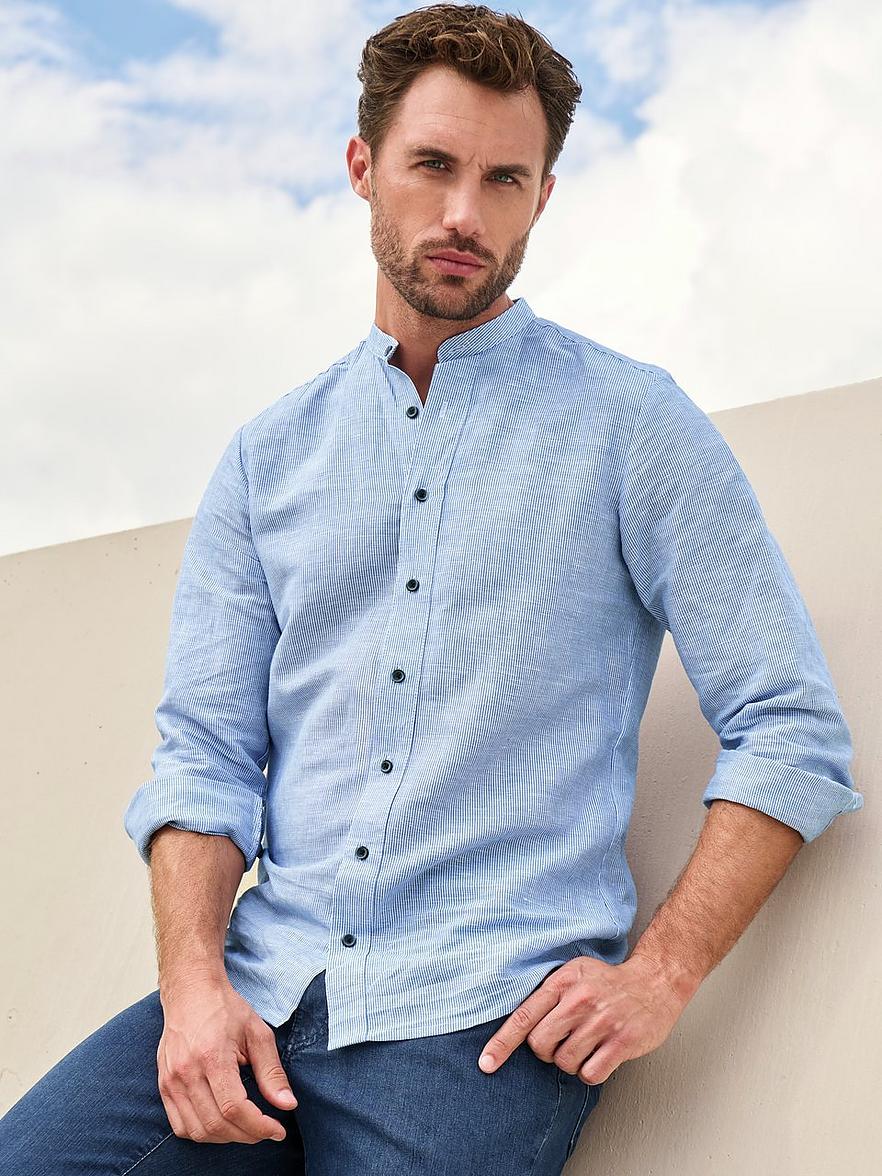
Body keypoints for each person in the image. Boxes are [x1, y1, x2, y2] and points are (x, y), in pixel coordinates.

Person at [0, 3, 863, 1173]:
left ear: (542, 198)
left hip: (480, 1030)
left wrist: (661, 974)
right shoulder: (267, 459)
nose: (466, 213)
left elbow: (791, 727)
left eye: (506, 179)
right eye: (433, 166)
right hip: (255, 993)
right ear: (363, 167)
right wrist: (193, 989)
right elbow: (203, 757)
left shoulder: (632, 426)